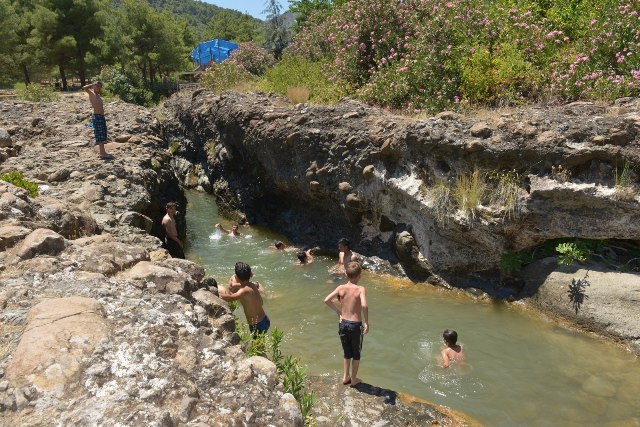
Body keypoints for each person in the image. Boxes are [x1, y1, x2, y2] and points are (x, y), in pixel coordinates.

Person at [323, 262, 369, 387]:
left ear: (345, 274)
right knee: (356, 354)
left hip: (343, 324)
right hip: (355, 326)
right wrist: (367, 323)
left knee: (347, 352)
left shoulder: (340, 288)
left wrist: (338, 312)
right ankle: (353, 379)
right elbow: (364, 305)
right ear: (360, 275)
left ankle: (345, 376)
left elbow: (326, 300)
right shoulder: (360, 289)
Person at [220, 262, 270, 337]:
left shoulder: (244, 291)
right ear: (250, 275)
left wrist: (216, 294)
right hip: (264, 319)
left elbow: (230, 298)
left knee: (258, 346)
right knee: (260, 342)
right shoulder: (252, 285)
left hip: (257, 324)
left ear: (236, 277)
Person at [82, 81, 113, 160]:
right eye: (97, 86)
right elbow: (84, 88)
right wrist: (92, 84)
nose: (98, 88)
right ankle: (103, 153)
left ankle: (102, 152)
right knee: (100, 135)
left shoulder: (98, 95)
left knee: (102, 135)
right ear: (94, 86)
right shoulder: (92, 93)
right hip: (97, 117)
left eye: (99, 87)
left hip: (101, 117)